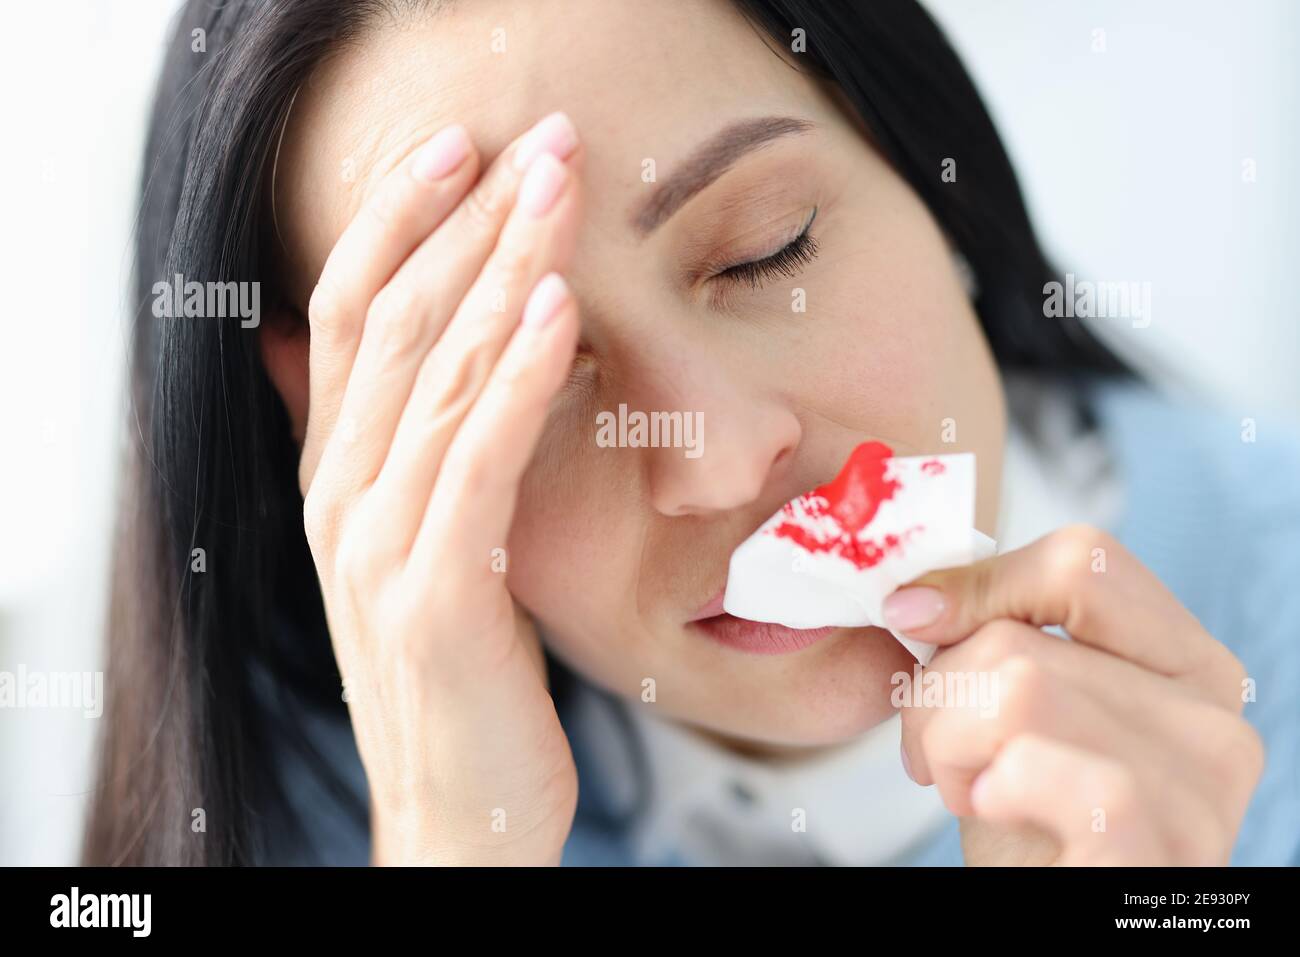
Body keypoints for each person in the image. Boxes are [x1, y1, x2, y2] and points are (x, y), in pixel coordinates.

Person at [84, 0, 1299, 867]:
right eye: (526, 369)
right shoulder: (272, 804)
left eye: (767, 250)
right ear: (336, 437)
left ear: (938, 191)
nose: (714, 460)